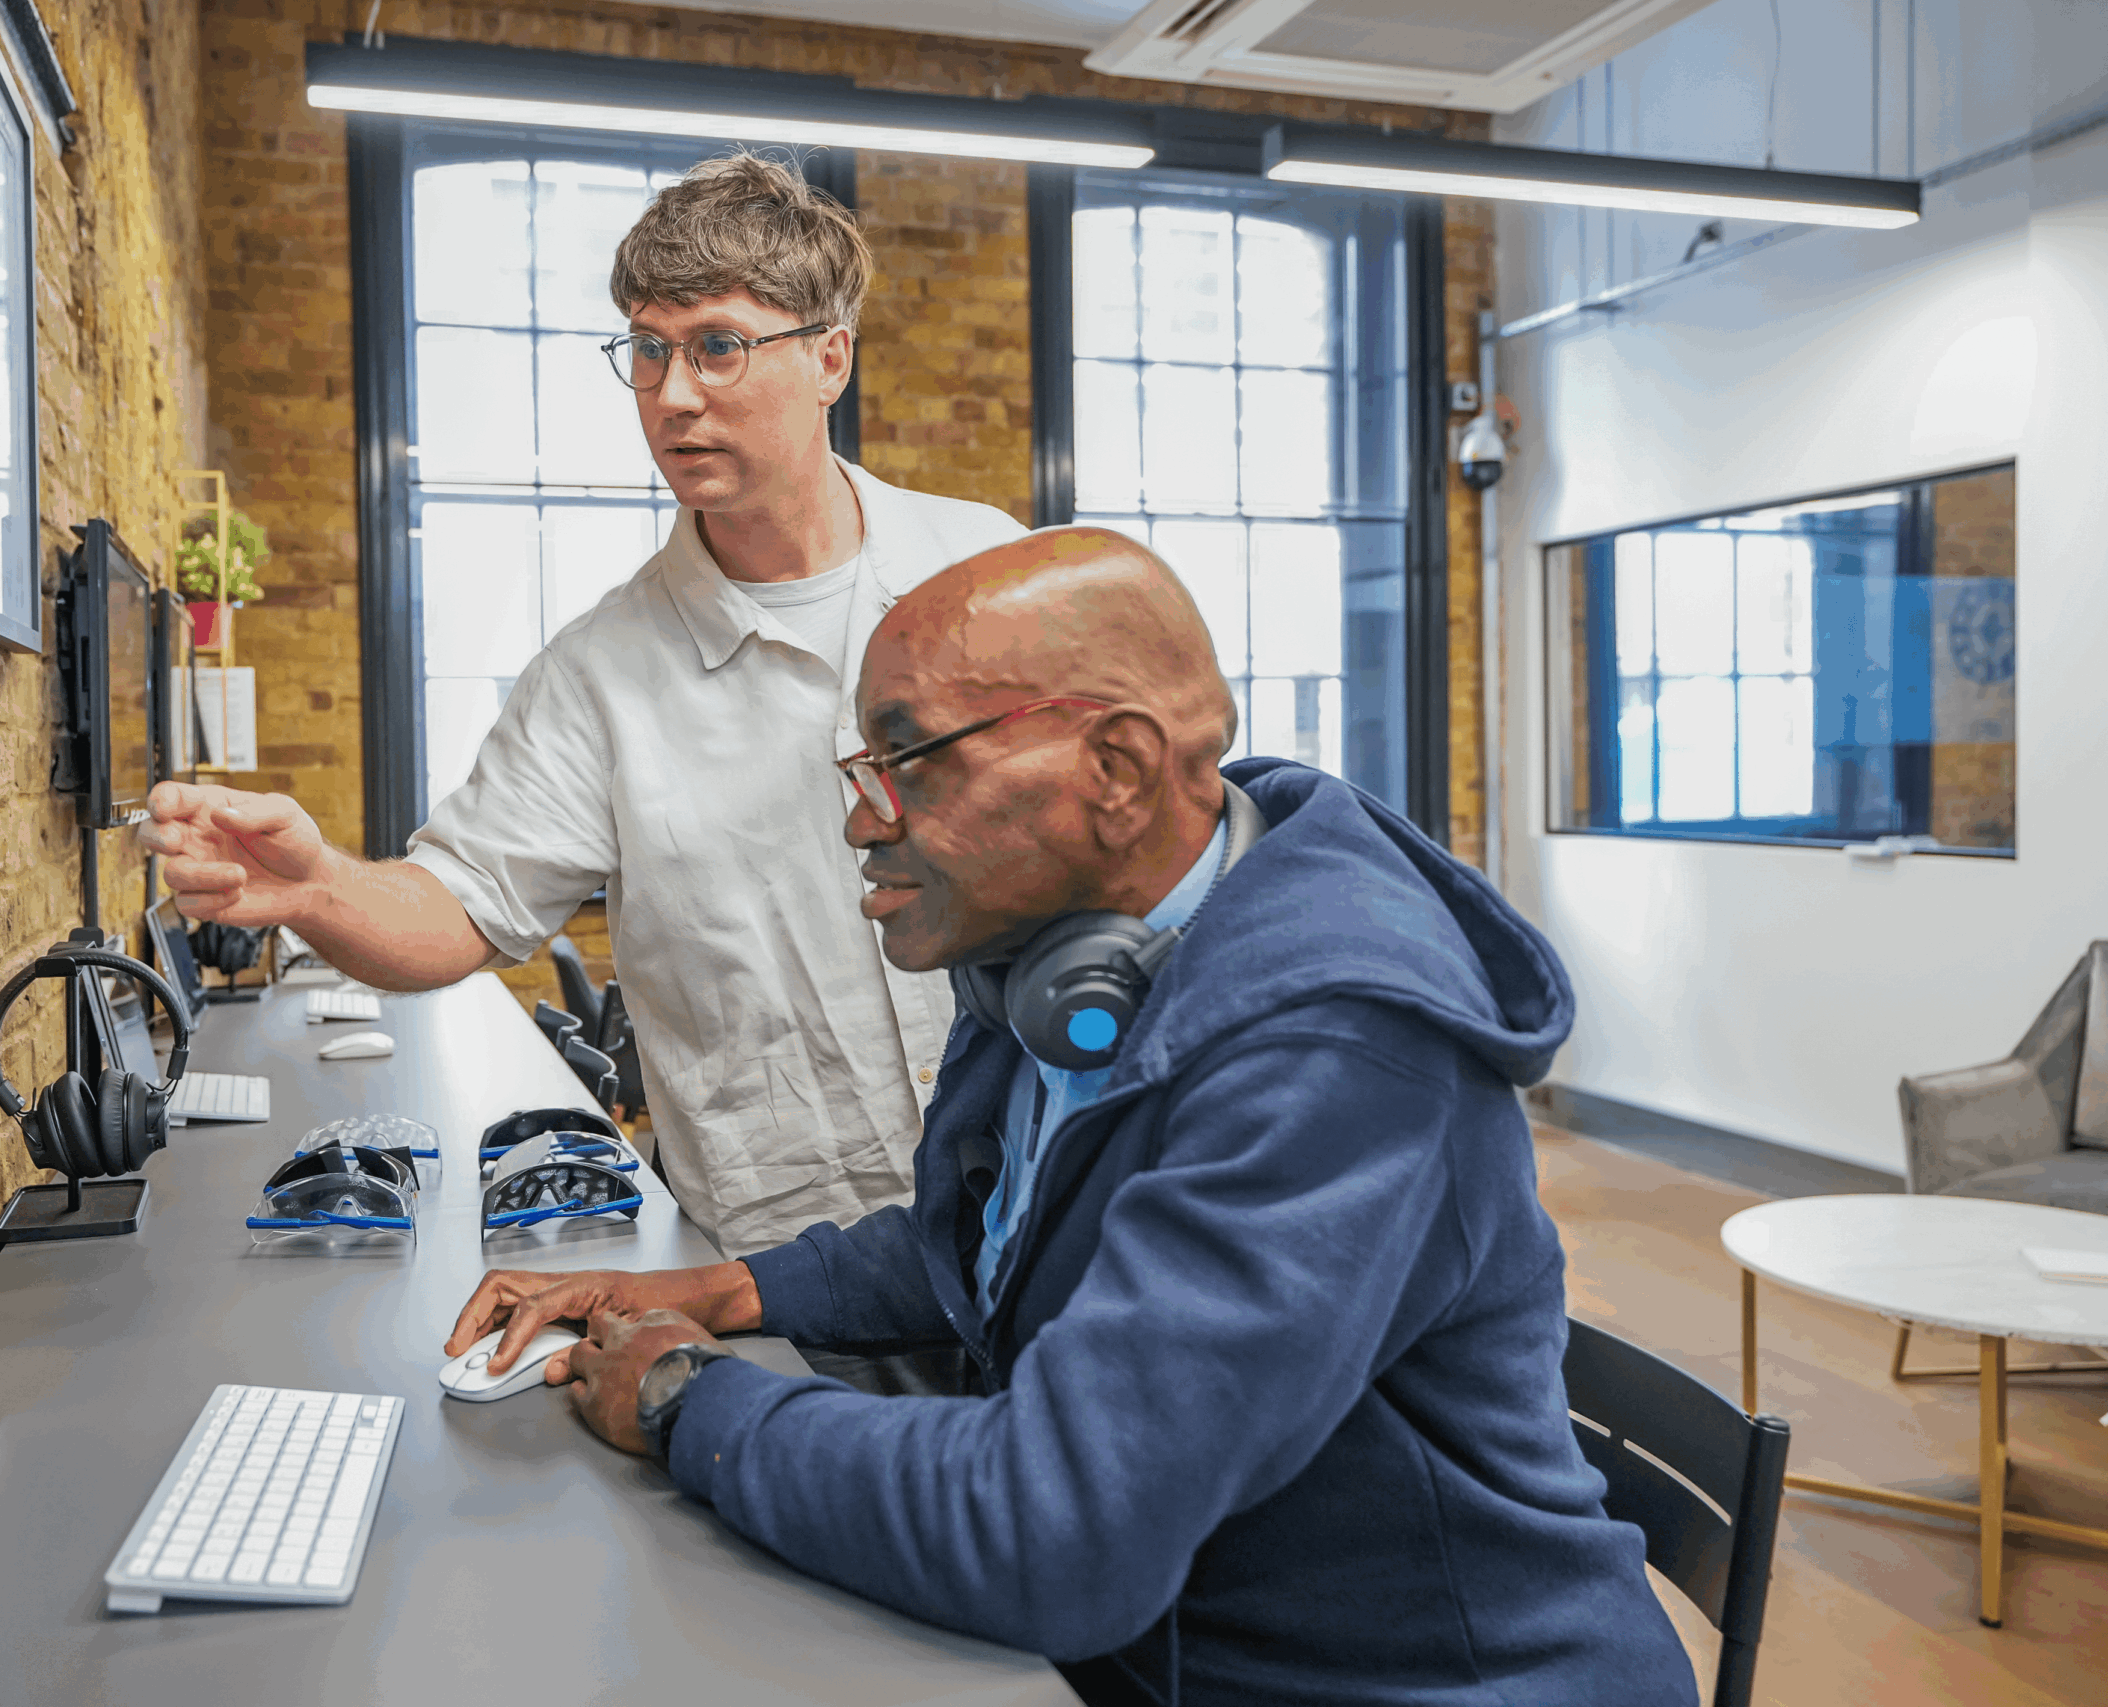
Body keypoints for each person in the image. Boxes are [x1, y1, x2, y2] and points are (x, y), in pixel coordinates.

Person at [445, 529, 1700, 1705]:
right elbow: (993, 1241)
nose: (861, 818)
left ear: (1118, 769)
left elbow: (1059, 1532)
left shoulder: (1334, 1046)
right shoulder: (1069, 959)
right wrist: (719, 1294)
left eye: (910, 760)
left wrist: (683, 1401)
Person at [143, 153, 1024, 1256]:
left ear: (829, 357)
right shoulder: (599, 675)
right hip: (785, 1266)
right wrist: (317, 889)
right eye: (647, 350)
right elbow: (461, 904)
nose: (672, 394)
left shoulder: (987, 568)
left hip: (1041, 1209)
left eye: (717, 345)